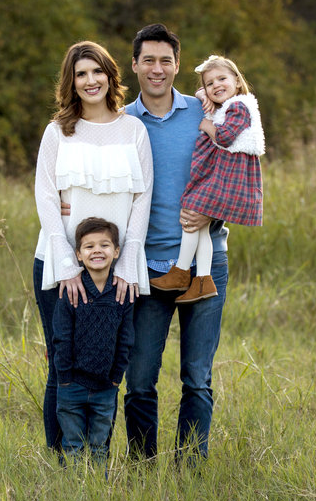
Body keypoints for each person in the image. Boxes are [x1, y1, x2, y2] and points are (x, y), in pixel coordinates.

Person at [33, 41, 153, 459]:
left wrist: (129, 265)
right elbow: (46, 197)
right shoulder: (58, 132)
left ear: (110, 76)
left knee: (105, 364)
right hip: (60, 263)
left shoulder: (133, 130)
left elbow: (143, 199)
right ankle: (58, 457)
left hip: (114, 268)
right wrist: (66, 263)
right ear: (71, 81)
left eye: (97, 72)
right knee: (61, 364)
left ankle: (97, 458)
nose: (90, 81)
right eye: (81, 74)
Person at [123, 23, 230, 463]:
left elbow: (238, 171)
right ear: (134, 65)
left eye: (165, 60)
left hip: (206, 261)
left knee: (197, 378)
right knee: (141, 379)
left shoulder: (206, 112)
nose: (157, 68)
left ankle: (190, 469)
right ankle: (142, 468)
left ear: (178, 65)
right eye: (148, 59)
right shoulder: (122, 123)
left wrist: (213, 211)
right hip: (146, 267)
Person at [149, 55, 264, 303]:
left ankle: (181, 271)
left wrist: (206, 125)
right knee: (200, 227)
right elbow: (205, 92)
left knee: (192, 211)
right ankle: (203, 280)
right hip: (220, 175)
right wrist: (203, 96)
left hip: (227, 177)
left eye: (222, 79)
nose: (216, 86)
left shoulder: (239, 107)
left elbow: (224, 136)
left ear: (237, 80)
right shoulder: (225, 104)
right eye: (210, 83)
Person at [53, 217, 134, 466]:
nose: (97, 250)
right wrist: (64, 377)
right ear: (78, 254)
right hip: (72, 386)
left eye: (104, 245)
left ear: (116, 252)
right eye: (89, 247)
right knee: (73, 446)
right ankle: (73, 496)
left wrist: (115, 377)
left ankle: (100, 492)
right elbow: (61, 337)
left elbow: (126, 339)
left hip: (105, 388)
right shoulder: (71, 292)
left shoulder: (122, 294)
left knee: (100, 447)